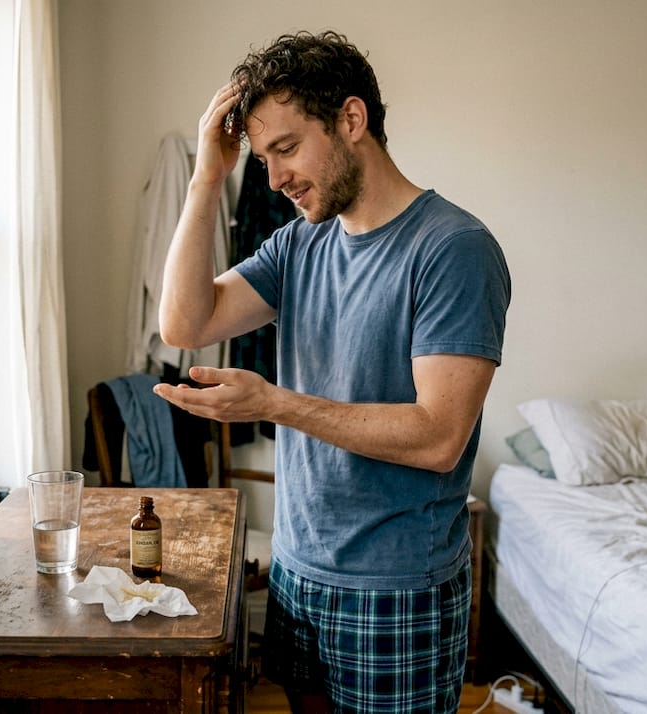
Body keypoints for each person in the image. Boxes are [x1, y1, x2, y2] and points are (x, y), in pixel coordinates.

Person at [152, 30, 510, 713]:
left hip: (396, 588)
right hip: (298, 569)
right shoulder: (299, 243)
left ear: (352, 120)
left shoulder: (454, 249)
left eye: (285, 148)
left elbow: (439, 437)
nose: (275, 177)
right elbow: (184, 324)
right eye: (262, 159)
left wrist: (274, 404)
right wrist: (206, 177)